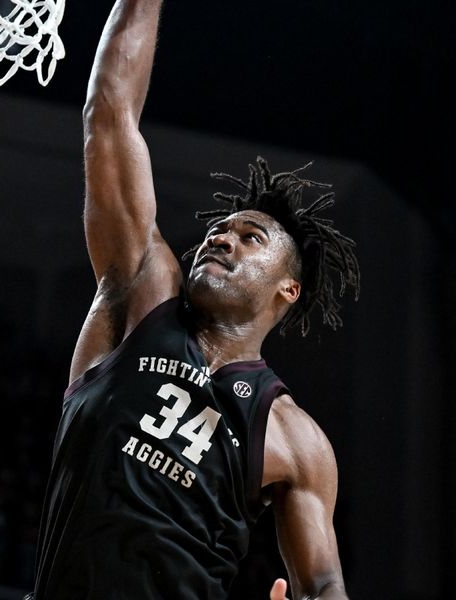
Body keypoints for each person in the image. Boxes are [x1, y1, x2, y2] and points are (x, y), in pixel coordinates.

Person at [30, 2, 359, 599]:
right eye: (219, 230)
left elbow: (324, 582)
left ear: (289, 288)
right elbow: (109, 115)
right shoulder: (143, 295)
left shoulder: (293, 437)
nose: (221, 238)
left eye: (250, 237)